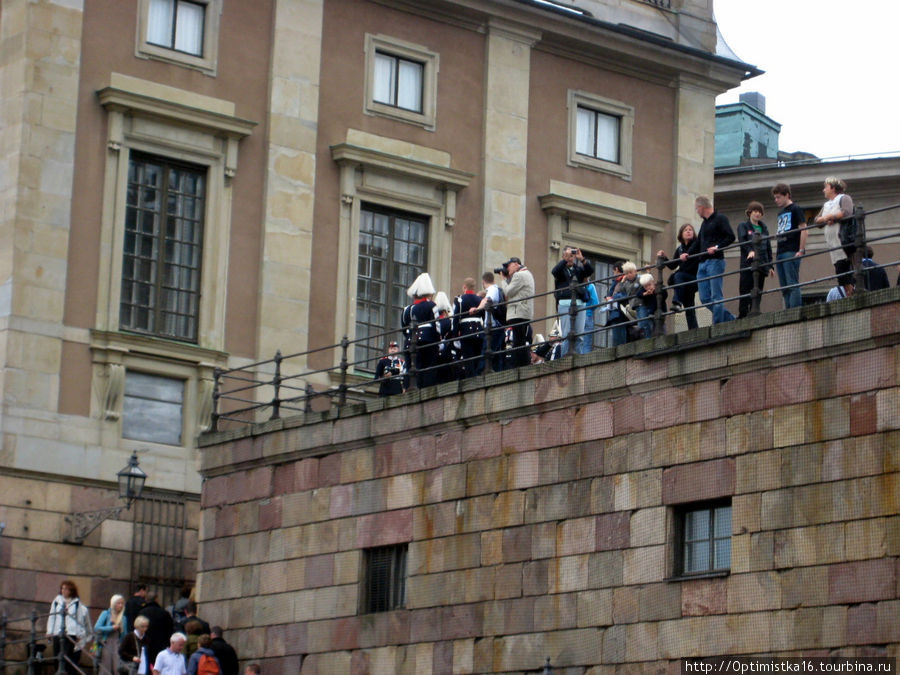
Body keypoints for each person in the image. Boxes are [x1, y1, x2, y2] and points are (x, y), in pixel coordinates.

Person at [694, 195, 735, 324]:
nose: (697, 211)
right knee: (704, 298)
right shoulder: (704, 223)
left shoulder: (720, 219)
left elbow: (730, 237)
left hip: (715, 261)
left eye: (697, 209)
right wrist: (684, 254)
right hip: (703, 262)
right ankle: (730, 318)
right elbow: (697, 242)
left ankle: (717, 324)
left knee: (716, 296)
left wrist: (717, 247)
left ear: (701, 207)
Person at [551, 246, 594, 355]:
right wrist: (565, 259)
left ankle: (578, 358)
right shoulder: (561, 270)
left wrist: (582, 259)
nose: (570, 258)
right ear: (563, 257)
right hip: (565, 304)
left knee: (579, 335)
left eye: (572, 256)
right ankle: (565, 359)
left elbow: (589, 271)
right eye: (567, 256)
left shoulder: (578, 270)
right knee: (566, 335)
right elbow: (554, 271)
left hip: (580, 304)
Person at [657, 223, 701, 330]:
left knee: (678, 276)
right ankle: (693, 329)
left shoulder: (696, 244)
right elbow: (673, 265)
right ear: (681, 234)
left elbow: (696, 253)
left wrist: (687, 255)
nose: (689, 231)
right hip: (684, 281)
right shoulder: (680, 248)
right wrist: (665, 258)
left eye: (690, 229)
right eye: (686, 230)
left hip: (694, 277)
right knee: (689, 305)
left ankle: (676, 302)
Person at [772, 183, 808, 309]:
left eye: (778, 197)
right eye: (775, 198)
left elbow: (804, 229)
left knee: (792, 283)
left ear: (787, 195)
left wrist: (801, 249)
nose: (776, 200)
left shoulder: (795, 209)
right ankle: (788, 310)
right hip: (781, 250)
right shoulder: (780, 212)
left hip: (791, 250)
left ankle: (794, 310)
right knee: (785, 287)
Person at [736, 201, 775, 319]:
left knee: (758, 289)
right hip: (748, 263)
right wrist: (750, 251)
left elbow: (768, 247)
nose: (757, 214)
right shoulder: (743, 226)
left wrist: (770, 266)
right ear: (749, 213)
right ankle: (743, 314)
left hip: (761, 264)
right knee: (745, 289)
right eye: (755, 211)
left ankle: (755, 311)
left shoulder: (764, 228)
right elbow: (743, 241)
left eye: (760, 212)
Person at [46, 580, 93, 675]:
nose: (64, 591)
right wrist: (49, 631)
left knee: (67, 657)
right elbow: (52, 617)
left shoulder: (77, 604)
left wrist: (79, 634)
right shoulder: (56, 602)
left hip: (70, 633)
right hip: (57, 632)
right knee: (57, 657)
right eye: (62, 588)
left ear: (71, 591)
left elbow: (79, 619)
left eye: (66, 589)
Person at [401, 272, 439, 389]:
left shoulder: (407, 309)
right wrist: (438, 339)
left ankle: (409, 386)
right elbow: (436, 325)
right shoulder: (431, 305)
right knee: (427, 367)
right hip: (427, 340)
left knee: (411, 366)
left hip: (409, 341)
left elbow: (404, 328)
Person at [498, 257, 534, 369]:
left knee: (518, 341)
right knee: (521, 340)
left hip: (517, 311)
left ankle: (519, 364)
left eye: (508, 266)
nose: (507, 269)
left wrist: (504, 280)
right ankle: (523, 363)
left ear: (515, 264)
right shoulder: (528, 274)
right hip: (525, 311)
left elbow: (508, 291)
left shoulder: (519, 275)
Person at [814, 177, 854, 272]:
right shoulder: (826, 205)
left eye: (826, 187)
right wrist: (826, 218)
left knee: (846, 273)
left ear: (833, 188)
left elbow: (846, 212)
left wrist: (830, 217)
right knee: (841, 275)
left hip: (843, 242)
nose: (823, 190)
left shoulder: (844, 198)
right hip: (833, 245)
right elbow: (817, 221)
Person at [469, 272, 505, 372]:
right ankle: (496, 372)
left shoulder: (492, 289)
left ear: (483, 282)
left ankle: (481, 373)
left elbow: (487, 300)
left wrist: (477, 309)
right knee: (494, 352)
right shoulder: (495, 289)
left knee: (487, 351)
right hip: (497, 325)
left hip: (493, 326)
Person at [453, 278, 484, 378]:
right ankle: (477, 375)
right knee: (477, 356)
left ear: (464, 287)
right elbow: (483, 316)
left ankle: (470, 378)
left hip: (466, 331)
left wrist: (455, 333)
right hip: (479, 330)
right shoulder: (479, 300)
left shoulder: (459, 300)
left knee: (468, 357)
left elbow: (456, 318)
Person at [607, 262, 641, 344]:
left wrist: (613, 298)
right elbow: (619, 292)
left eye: (630, 272)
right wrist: (622, 281)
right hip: (626, 309)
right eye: (626, 273)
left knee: (640, 325)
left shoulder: (639, 279)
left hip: (634, 306)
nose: (628, 275)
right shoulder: (624, 282)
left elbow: (621, 295)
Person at [94, 593, 127, 674]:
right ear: (113, 603)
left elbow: (124, 635)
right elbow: (97, 628)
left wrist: (121, 629)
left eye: (122, 603)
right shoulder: (106, 614)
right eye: (118, 603)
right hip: (106, 642)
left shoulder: (123, 618)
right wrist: (111, 628)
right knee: (106, 666)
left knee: (117, 667)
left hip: (117, 643)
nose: (121, 605)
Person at [138, 594, 174, 667]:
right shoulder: (164, 613)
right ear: (156, 600)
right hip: (161, 645)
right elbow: (170, 630)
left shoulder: (141, 612)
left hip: (145, 644)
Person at [635, 273, 667, 339]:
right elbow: (638, 294)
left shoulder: (659, 287)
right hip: (650, 311)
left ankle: (662, 337)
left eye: (649, 285)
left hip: (660, 309)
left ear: (653, 282)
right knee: (650, 326)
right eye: (645, 286)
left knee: (660, 324)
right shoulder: (644, 290)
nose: (648, 287)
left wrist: (656, 292)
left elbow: (665, 295)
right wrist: (645, 293)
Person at [581, 277, 600, 352]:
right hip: (587, 315)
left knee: (577, 342)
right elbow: (595, 302)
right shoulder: (590, 286)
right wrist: (589, 310)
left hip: (577, 315)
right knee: (587, 342)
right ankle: (585, 362)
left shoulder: (577, 285)